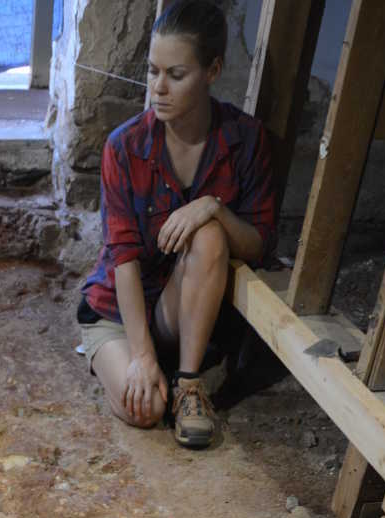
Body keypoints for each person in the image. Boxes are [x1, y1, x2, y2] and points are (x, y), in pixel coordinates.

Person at [78, 0, 277, 449]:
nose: (158, 88)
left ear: (212, 70)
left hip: (183, 310)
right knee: (144, 409)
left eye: (176, 74)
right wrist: (141, 358)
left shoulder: (245, 140)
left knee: (209, 232)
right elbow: (123, 260)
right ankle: (139, 366)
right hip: (119, 310)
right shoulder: (124, 147)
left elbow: (259, 244)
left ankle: (188, 385)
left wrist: (214, 208)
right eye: (152, 72)